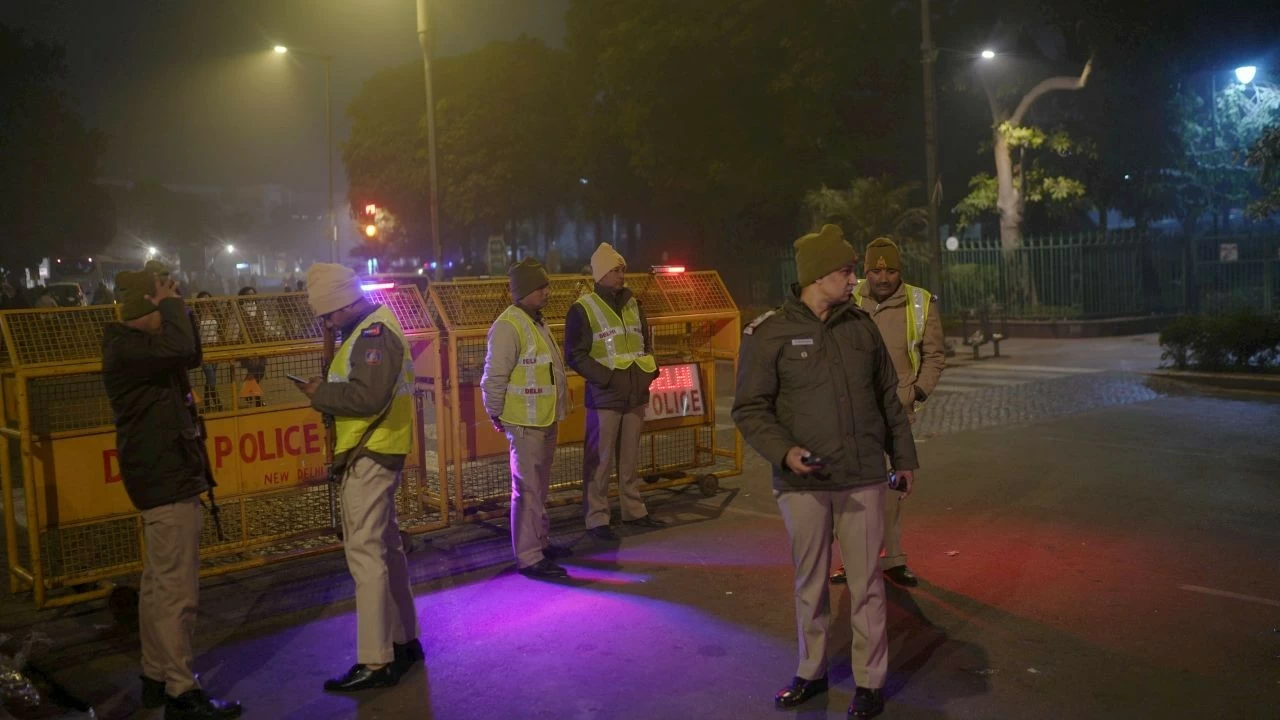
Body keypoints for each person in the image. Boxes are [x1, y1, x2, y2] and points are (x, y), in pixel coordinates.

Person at [733, 224, 919, 719]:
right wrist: (785, 452)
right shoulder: (769, 332)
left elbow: (888, 400)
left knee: (867, 586)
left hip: (861, 477)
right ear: (818, 275)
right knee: (809, 583)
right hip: (803, 483)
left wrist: (903, 458)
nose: (854, 277)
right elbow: (750, 408)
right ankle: (810, 671)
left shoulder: (861, 326)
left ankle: (870, 681)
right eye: (845, 270)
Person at [100, 269, 242, 719]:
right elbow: (182, 348)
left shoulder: (138, 349)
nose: (169, 310)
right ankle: (182, 690)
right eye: (161, 303)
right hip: (165, 479)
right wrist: (170, 304)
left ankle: (156, 677)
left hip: (161, 475)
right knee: (178, 591)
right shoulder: (131, 348)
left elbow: (190, 354)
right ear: (146, 307)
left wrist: (174, 308)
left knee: (159, 586)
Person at [294, 263, 421, 692]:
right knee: (387, 550)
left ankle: (376, 660)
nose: (326, 322)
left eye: (328, 314)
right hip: (378, 449)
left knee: (365, 556)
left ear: (346, 302)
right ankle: (405, 641)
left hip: (369, 452)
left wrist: (319, 395)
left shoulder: (373, 333)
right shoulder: (371, 328)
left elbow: (367, 396)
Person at [831, 238, 945, 589]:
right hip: (853, 412)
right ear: (865, 271)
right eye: (876, 270)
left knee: (895, 491)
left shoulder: (919, 302)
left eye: (891, 270)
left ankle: (894, 560)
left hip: (898, 411)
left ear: (901, 271)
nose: (883, 277)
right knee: (854, 490)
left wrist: (916, 392)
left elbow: (935, 356)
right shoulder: (847, 299)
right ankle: (854, 563)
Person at [564, 242, 665, 541]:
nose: (622, 275)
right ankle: (597, 518)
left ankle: (633, 510)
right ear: (600, 274)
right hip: (605, 396)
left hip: (634, 393)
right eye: (616, 270)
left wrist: (648, 373)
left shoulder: (634, 304)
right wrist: (607, 379)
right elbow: (575, 354)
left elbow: (644, 344)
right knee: (600, 460)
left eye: (623, 269)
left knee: (630, 458)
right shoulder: (583, 309)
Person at [480, 258, 571, 579]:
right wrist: (495, 412)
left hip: (543, 419)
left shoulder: (535, 321)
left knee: (538, 488)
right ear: (524, 292)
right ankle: (530, 556)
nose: (547, 292)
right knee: (528, 488)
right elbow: (494, 377)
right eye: (540, 287)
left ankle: (539, 543)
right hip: (524, 422)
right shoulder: (509, 326)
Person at [236, 287, 267, 407]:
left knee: (260, 372)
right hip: (247, 347)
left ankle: (249, 393)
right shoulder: (239, 311)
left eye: (252, 294)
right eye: (248, 294)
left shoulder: (261, 310)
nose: (250, 296)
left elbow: (267, 324)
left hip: (260, 345)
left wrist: (278, 333)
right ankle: (258, 400)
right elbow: (235, 329)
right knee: (253, 371)